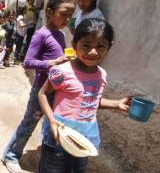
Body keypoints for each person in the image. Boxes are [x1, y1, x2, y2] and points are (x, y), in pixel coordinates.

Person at [38, 18, 131, 173]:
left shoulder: (101, 74)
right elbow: (42, 94)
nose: (93, 52)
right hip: (59, 134)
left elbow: (90, 100)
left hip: (84, 138)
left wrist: (116, 104)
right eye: (86, 45)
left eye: (101, 46)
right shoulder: (62, 71)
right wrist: (52, 121)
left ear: (109, 47)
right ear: (75, 45)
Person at [2, 0, 75, 173]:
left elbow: (60, 58)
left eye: (70, 15)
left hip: (56, 89)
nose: (67, 19)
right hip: (41, 90)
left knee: (52, 125)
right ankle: (10, 155)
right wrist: (51, 63)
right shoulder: (41, 35)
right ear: (49, 12)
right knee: (29, 124)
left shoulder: (60, 35)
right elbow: (27, 62)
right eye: (64, 13)